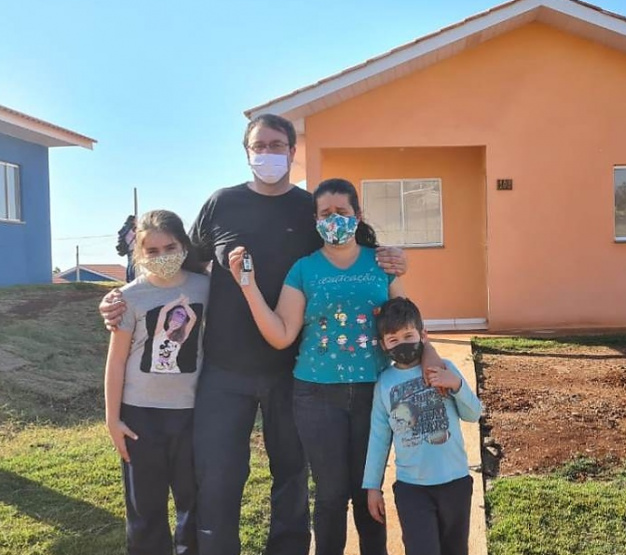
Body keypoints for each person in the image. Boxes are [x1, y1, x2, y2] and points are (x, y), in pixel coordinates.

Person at [100, 114, 409, 555]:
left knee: (291, 476)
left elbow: (351, 244)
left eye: (276, 145)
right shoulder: (221, 204)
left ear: (292, 151)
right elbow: (180, 264)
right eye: (259, 145)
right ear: (246, 152)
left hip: (293, 371)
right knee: (219, 476)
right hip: (224, 371)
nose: (268, 153)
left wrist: (393, 257)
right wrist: (122, 296)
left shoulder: (309, 209)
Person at [227, 178, 443, 555]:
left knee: (367, 494)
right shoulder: (304, 270)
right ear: (315, 219)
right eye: (325, 213)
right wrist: (248, 287)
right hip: (315, 396)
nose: (334, 219)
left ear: (357, 216)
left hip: (375, 394)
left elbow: (407, 326)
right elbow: (281, 334)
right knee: (329, 497)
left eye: (342, 212)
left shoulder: (381, 264)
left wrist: (432, 358)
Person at [104, 209, 208, 555]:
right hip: (140, 417)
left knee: (192, 501)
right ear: (139, 253)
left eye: (170, 247)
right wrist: (112, 419)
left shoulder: (205, 288)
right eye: (152, 251)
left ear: (183, 245)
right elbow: (117, 361)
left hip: (191, 413)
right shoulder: (129, 297)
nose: (162, 257)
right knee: (145, 507)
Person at [363, 297, 481, 555]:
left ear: (422, 334)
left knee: (455, 549)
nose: (403, 344)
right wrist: (373, 486)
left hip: (455, 483)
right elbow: (378, 438)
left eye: (408, 335)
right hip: (411, 489)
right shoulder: (384, 384)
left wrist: (456, 385)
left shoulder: (443, 368)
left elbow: (474, 414)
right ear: (384, 345)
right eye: (393, 339)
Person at [117, 214, 137, 282]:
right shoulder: (131, 229)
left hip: (129, 248)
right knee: (132, 265)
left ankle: (129, 278)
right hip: (132, 248)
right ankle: (131, 278)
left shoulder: (125, 228)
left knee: (130, 264)